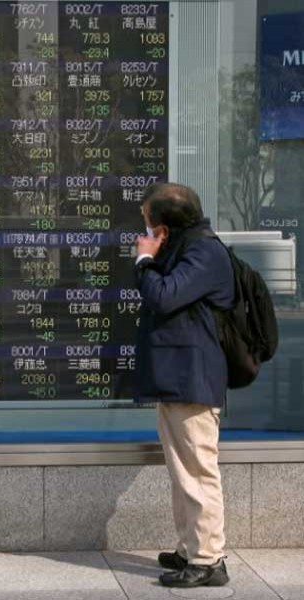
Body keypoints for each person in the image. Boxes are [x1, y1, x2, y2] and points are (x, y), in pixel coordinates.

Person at [134, 182, 235, 588]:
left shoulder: (204, 251)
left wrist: (144, 261)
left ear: (167, 226)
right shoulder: (188, 247)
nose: (147, 231)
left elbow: (164, 296)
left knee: (197, 470)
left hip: (194, 379)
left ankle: (209, 559)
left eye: (151, 224)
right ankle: (190, 547)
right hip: (178, 379)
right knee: (182, 472)